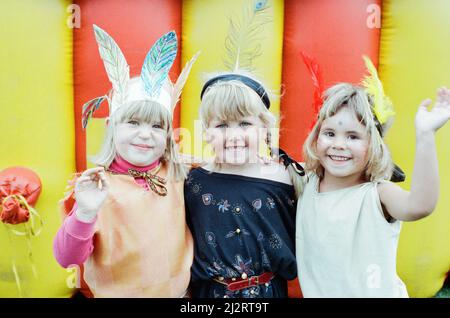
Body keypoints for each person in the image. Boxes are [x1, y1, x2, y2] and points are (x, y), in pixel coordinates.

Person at [53, 25, 198, 297]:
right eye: (133, 122)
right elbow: (66, 258)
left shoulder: (179, 173)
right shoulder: (96, 187)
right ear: (111, 126)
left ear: (167, 135)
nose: (145, 134)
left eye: (157, 126)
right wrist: (85, 212)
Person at [296, 77, 450, 297]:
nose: (339, 144)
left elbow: (420, 205)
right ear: (316, 137)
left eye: (353, 136)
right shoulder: (305, 180)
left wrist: (425, 135)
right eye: (330, 134)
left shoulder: (378, 195)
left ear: (374, 146)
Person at [185, 71, 304, 298]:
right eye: (221, 126)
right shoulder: (193, 182)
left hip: (266, 294)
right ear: (206, 132)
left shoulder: (286, 179)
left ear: (264, 128)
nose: (234, 135)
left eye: (245, 123)